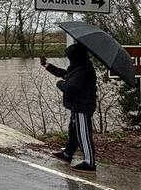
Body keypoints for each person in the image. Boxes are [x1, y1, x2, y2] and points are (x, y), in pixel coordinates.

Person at [41, 43, 98, 172]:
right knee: (74, 131)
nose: (68, 59)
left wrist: (59, 84)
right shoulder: (79, 67)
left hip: (82, 107)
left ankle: (89, 162)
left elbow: (70, 86)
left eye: (69, 57)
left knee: (83, 134)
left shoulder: (84, 70)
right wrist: (47, 66)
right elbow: (66, 74)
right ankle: (67, 154)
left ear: (75, 56)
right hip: (77, 106)